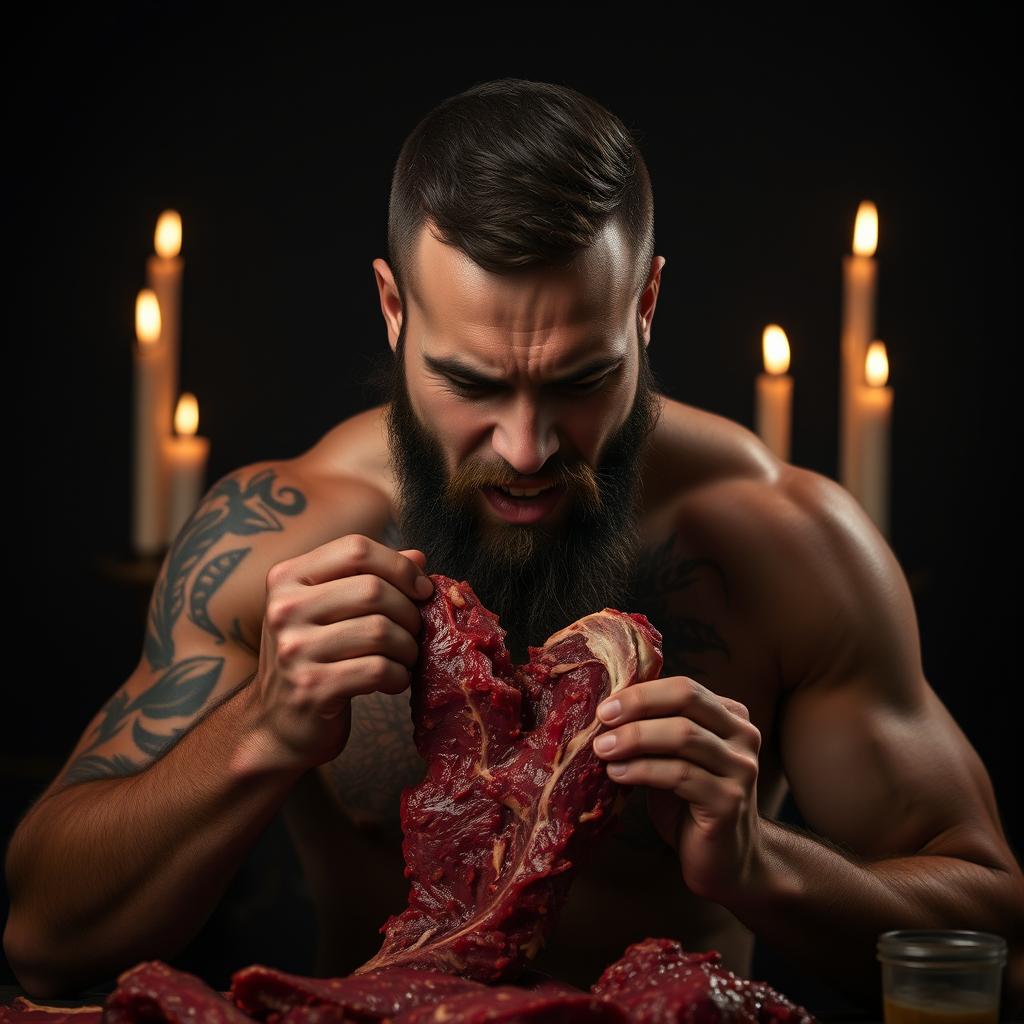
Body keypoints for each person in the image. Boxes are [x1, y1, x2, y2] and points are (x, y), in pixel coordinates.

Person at [5, 77, 1022, 1013]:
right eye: (473, 383)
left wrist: (760, 862)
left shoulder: (780, 545)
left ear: (647, 307)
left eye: (581, 380)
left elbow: (995, 941)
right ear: (394, 310)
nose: (526, 449)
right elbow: (47, 937)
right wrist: (262, 730)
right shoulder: (278, 535)